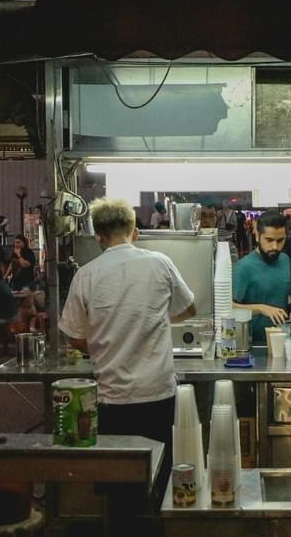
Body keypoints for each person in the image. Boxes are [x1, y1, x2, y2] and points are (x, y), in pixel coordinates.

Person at [59, 198, 196, 491]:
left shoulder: (86, 274)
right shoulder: (160, 262)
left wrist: (103, 341)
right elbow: (189, 309)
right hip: (158, 394)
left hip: (112, 400)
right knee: (160, 482)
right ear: (135, 232)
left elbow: (74, 336)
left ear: (99, 237)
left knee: (119, 484)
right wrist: (155, 320)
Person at [232, 212, 291, 346]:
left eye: (280, 240)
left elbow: (278, 291)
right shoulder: (244, 267)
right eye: (269, 240)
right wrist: (261, 308)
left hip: (280, 340)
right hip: (252, 344)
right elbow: (230, 308)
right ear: (257, 236)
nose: (275, 247)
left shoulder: (284, 260)